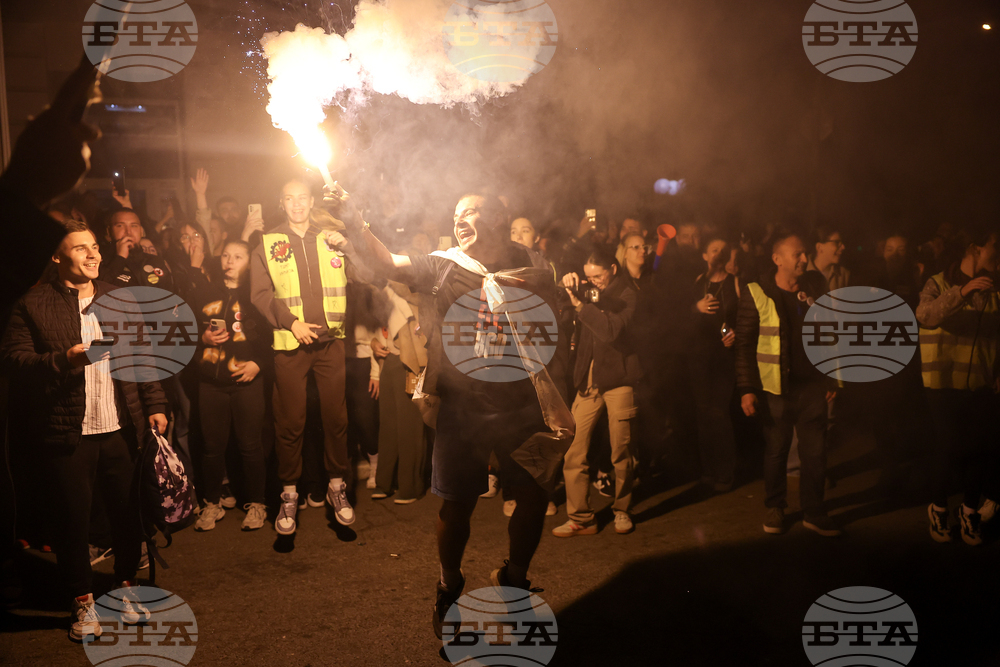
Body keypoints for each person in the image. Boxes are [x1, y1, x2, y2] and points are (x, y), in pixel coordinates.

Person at [346, 187, 566, 638]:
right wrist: (354, 220)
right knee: (457, 505)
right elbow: (388, 264)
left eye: (470, 211)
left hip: (520, 402)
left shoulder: (532, 266)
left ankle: (515, 579)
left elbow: (550, 326)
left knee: (533, 495)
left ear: (499, 218)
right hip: (464, 406)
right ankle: (449, 586)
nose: (459, 220)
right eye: (455, 214)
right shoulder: (444, 265)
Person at [0, 219, 168, 641]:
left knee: (127, 517)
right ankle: (82, 601)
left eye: (94, 246)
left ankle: (125, 587)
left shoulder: (119, 298)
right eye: (80, 248)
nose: (93, 254)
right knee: (72, 522)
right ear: (57, 257)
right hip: (68, 433)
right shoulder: (33, 303)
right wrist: (64, 360)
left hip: (119, 428)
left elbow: (143, 354)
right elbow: (14, 359)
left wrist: (155, 404)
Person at [250, 177, 370, 535]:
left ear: (312, 200)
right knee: (290, 421)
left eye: (302, 197)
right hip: (291, 344)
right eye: (290, 199)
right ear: (281, 203)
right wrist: (292, 323)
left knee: (336, 418)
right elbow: (260, 295)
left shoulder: (330, 237)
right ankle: (289, 494)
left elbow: (366, 274)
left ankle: (337, 486)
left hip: (331, 342)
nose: (297, 204)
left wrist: (350, 246)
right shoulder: (268, 242)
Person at [736, 233, 841, 537]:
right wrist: (746, 389)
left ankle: (814, 511)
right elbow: (744, 345)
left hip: (812, 386)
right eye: (797, 255)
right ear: (777, 259)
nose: (804, 260)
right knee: (776, 451)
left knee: (815, 453)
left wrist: (832, 376)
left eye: (805, 254)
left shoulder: (816, 284)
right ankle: (775, 507)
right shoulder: (757, 291)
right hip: (775, 389)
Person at [917, 229, 1000, 546]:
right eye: (995, 246)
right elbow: (926, 316)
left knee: (979, 448)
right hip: (943, 381)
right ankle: (938, 509)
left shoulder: (995, 288)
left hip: (979, 383)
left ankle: (969, 512)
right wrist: (963, 292)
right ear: (975, 249)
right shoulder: (938, 282)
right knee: (949, 446)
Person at [554, 246, 641, 537]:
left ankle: (622, 509)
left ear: (612, 269)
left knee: (621, 452)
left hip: (619, 380)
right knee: (573, 450)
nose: (594, 282)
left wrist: (581, 306)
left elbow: (609, 330)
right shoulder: (587, 291)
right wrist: (566, 287)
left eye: (598, 276)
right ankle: (581, 517)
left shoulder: (628, 294)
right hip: (588, 381)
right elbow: (563, 312)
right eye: (588, 277)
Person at [192, 240, 269, 532]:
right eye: (225, 255)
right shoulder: (205, 292)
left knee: (250, 446)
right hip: (211, 383)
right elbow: (182, 329)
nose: (229, 261)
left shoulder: (257, 295)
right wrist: (202, 338)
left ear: (249, 261)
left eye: (237, 256)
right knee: (212, 447)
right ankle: (212, 503)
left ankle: (257, 503)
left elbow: (273, 337)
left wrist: (258, 364)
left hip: (247, 382)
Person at [370, 281, 429, 504]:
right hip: (389, 362)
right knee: (388, 426)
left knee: (409, 426)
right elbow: (378, 331)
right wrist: (374, 344)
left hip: (411, 363)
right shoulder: (383, 294)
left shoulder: (412, 293)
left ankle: (409, 487)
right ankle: (384, 483)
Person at [689, 235, 740, 493]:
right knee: (702, 413)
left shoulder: (735, 282)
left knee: (719, 413)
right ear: (705, 256)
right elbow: (681, 315)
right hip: (700, 356)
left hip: (723, 357)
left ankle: (725, 472)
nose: (718, 253)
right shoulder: (698, 282)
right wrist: (696, 307)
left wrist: (736, 333)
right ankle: (707, 471)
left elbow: (747, 315)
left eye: (723, 249)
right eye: (713, 249)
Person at [99, 208, 175, 292]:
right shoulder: (101, 262)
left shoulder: (156, 261)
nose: (128, 232)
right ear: (109, 231)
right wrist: (120, 258)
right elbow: (101, 290)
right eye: (120, 226)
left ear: (141, 231)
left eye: (134, 226)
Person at [807, 225, 850, 291]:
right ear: (819, 247)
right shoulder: (802, 271)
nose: (843, 247)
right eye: (836, 242)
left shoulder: (843, 275)